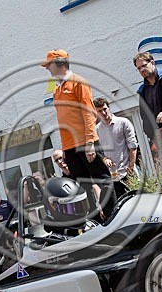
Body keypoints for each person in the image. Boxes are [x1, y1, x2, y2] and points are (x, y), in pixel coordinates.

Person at [42, 49, 114, 218]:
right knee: (80, 185)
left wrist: (90, 142)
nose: (47, 69)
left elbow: (88, 113)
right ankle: (93, 219)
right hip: (70, 145)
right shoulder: (57, 89)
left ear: (59, 64)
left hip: (85, 142)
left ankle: (112, 215)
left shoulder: (78, 82)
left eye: (48, 65)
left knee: (102, 179)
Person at [93, 96, 138, 197]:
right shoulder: (96, 130)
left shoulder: (123, 122)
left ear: (109, 108)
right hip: (112, 177)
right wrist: (104, 159)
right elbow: (97, 152)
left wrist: (130, 169)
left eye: (105, 109)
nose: (103, 113)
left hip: (128, 173)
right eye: (100, 111)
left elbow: (133, 147)